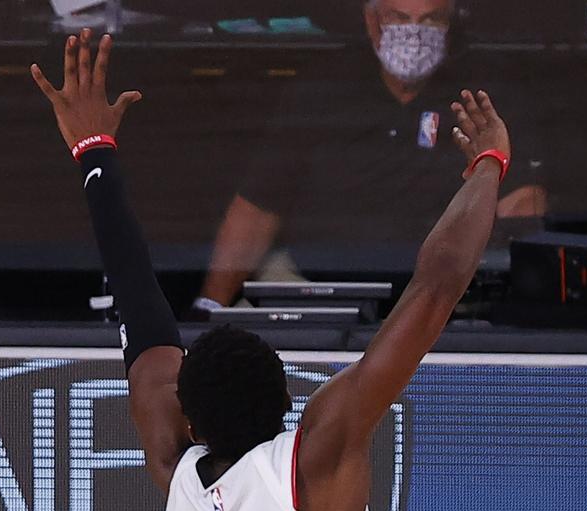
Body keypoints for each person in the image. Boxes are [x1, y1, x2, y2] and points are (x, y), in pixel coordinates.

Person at [34, 28, 510, 511]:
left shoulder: (177, 472)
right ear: (290, 403)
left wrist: (93, 153)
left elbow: (139, 308)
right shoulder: (315, 461)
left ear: (190, 422)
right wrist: (489, 162)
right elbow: (434, 289)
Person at [192, 0, 544, 314]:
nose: (414, 32)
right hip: (315, 291)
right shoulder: (324, 87)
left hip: (439, 299)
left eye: (431, 20)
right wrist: (209, 307)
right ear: (372, 20)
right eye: (400, 18)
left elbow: (520, 204)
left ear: (451, 23)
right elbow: (257, 208)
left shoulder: (483, 93)